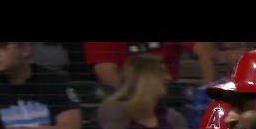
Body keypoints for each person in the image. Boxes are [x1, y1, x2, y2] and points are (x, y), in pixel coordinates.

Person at [84, 42, 216, 91]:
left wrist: (207, 91)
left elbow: (202, 48)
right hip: (126, 95)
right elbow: (105, 71)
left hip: (167, 94)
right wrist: (132, 97)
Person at [187, 43, 249, 129]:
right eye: (235, 48)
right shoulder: (205, 94)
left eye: (251, 47)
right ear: (222, 54)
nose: (244, 52)